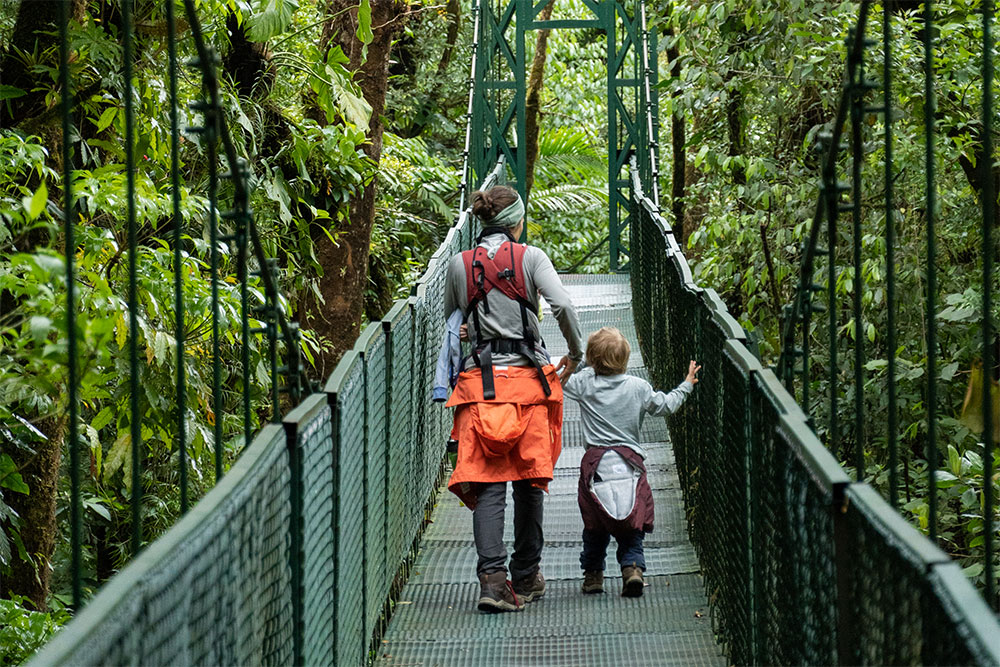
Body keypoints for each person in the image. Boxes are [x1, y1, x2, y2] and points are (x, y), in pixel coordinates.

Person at [443, 185, 583, 613]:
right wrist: (575, 353)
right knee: (528, 480)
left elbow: (456, 318)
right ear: (517, 222)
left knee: (487, 485)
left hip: (480, 387)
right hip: (526, 386)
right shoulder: (531, 258)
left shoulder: (458, 264)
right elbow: (562, 304)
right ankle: (526, 573)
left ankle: (493, 583)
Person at [563, 327, 699, 598]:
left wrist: (583, 365)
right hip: (630, 464)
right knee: (632, 522)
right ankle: (633, 570)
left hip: (595, 465)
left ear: (592, 360)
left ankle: (593, 576)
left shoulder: (584, 384)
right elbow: (666, 405)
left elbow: (559, 379)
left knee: (595, 524)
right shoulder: (637, 387)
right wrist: (686, 384)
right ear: (625, 360)